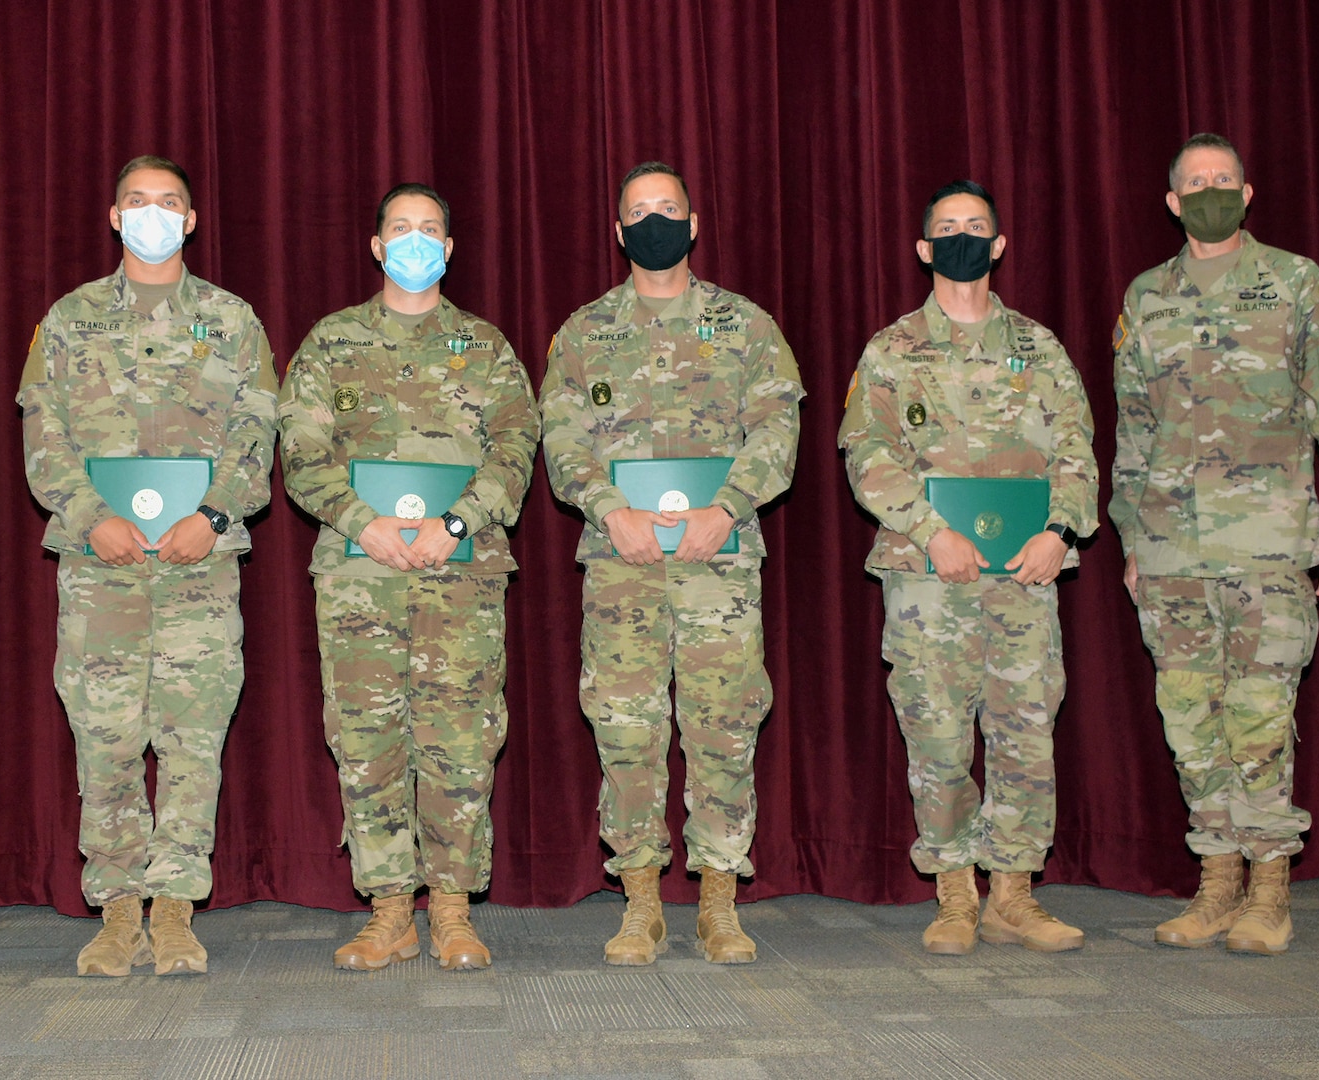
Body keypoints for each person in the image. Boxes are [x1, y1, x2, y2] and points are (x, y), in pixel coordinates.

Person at [1112, 133, 1319, 955]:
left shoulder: (1294, 284)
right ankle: (1215, 883)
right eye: (1193, 183)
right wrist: (1131, 534)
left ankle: (1269, 888)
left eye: (1222, 180)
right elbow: (1134, 429)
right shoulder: (1147, 296)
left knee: (1258, 718)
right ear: (1171, 202)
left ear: (1246, 192)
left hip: (1267, 542)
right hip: (1168, 549)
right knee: (1188, 718)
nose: (1208, 191)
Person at [19, 155, 277, 977]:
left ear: (192, 221)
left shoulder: (232, 320)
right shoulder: (69, 319)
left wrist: (212, 515)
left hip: (199, 568)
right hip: (102, 571)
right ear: (113, 215)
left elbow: (256, 436)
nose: (154, 213)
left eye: (169, 202)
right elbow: (42, 436)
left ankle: (174, 911)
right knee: (106, 741)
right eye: (139, 201)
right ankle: (118, 909)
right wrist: (89, 518)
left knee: (193, 741)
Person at [539, 161, 802, 966]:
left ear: (693, 225)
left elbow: (778, 431)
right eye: (638, 212)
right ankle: (641, 900)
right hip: (621, 563)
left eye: (668, 209)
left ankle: (719, 899)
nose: (654, 222)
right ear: (618, 233)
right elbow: (558, 436)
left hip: (716, 561)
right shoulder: (584, 332)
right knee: (625, 729)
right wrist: (605, 506)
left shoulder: (744, 325)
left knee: (723, 727)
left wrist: (726, 507)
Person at [280, 182, 539, 971]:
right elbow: (298, 449)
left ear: (450, 249)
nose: (416, 239)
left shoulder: (486, 347)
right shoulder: (331, 342)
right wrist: (364, 523)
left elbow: (517, 446)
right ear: (376, 245)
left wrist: (452, 524)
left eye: (430, 228)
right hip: (361, 575)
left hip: (459, 575)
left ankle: (454, 911)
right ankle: (390, 911)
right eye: (401, 227)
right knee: (366, 741)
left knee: (460, 741)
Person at [842, 180, 1098, 955]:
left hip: (1023, 573)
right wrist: (929, 529)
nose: (961, 237)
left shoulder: (1039, 347)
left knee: (1025, 731)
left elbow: (1076, 450)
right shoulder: (891, 350)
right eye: (945, 228)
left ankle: (1013, 894)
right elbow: (865, 454)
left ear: (998, 246)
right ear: (923, 250)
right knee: (938, 734)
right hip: (929, 577)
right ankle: (953, 892)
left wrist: (1059, 531)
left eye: (975, 226)